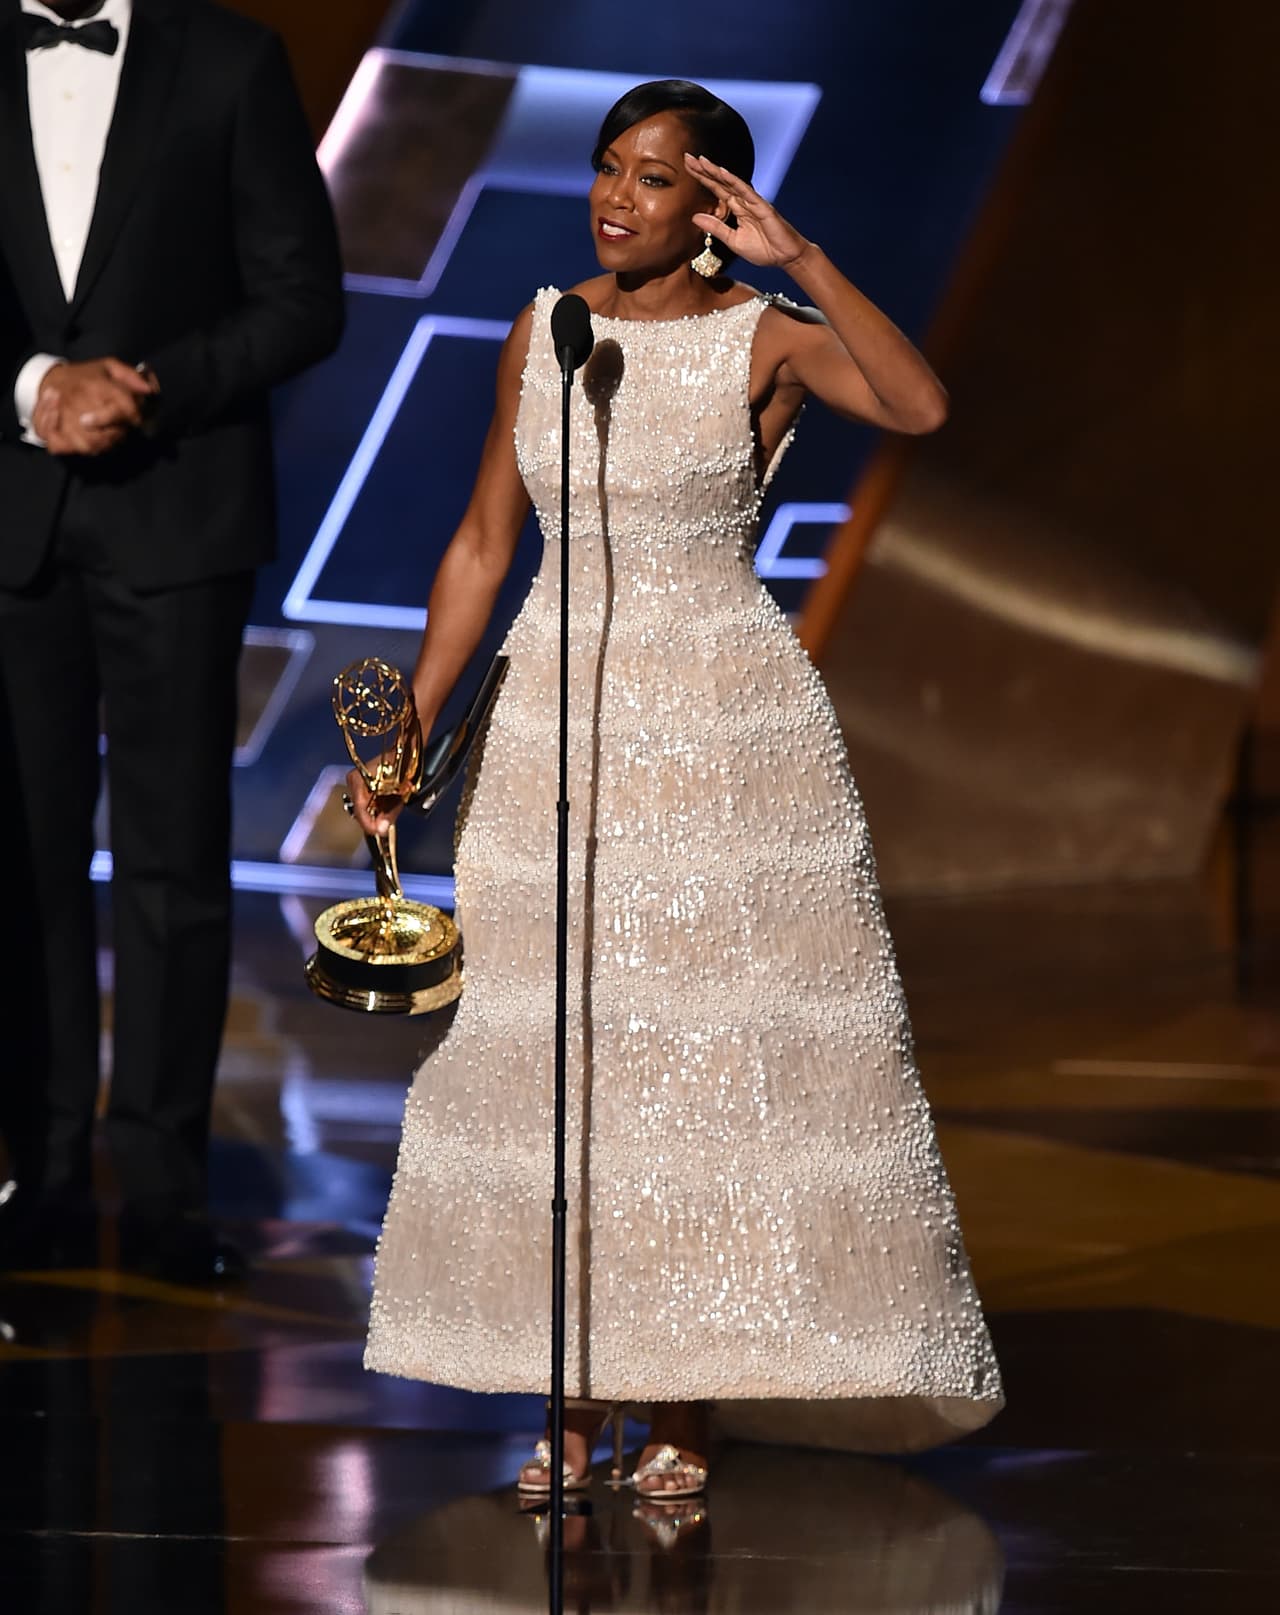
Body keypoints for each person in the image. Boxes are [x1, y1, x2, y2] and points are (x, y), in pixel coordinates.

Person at [353, 79, 1002, 1493]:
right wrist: (407, 737)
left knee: (699, 1063)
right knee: (558, 1055)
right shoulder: (547, 327)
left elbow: (920, 403)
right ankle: (573, 1397)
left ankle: (689, 1403)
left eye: (654, 179)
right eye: (608, 168)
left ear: (711, 205)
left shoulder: (765, 337)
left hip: (719, 728)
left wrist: (807, 263)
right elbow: (478, 544)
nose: (615, 196)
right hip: (550, 721)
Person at [0, 0, 344, 1280]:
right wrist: (38, 388)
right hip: (13, 519)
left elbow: (304, 297)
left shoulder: (230, 58)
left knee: (172, 864)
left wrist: (147, 385)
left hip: (178, 512)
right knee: (22, 860)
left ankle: (162, 1191)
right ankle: (36, 1173)